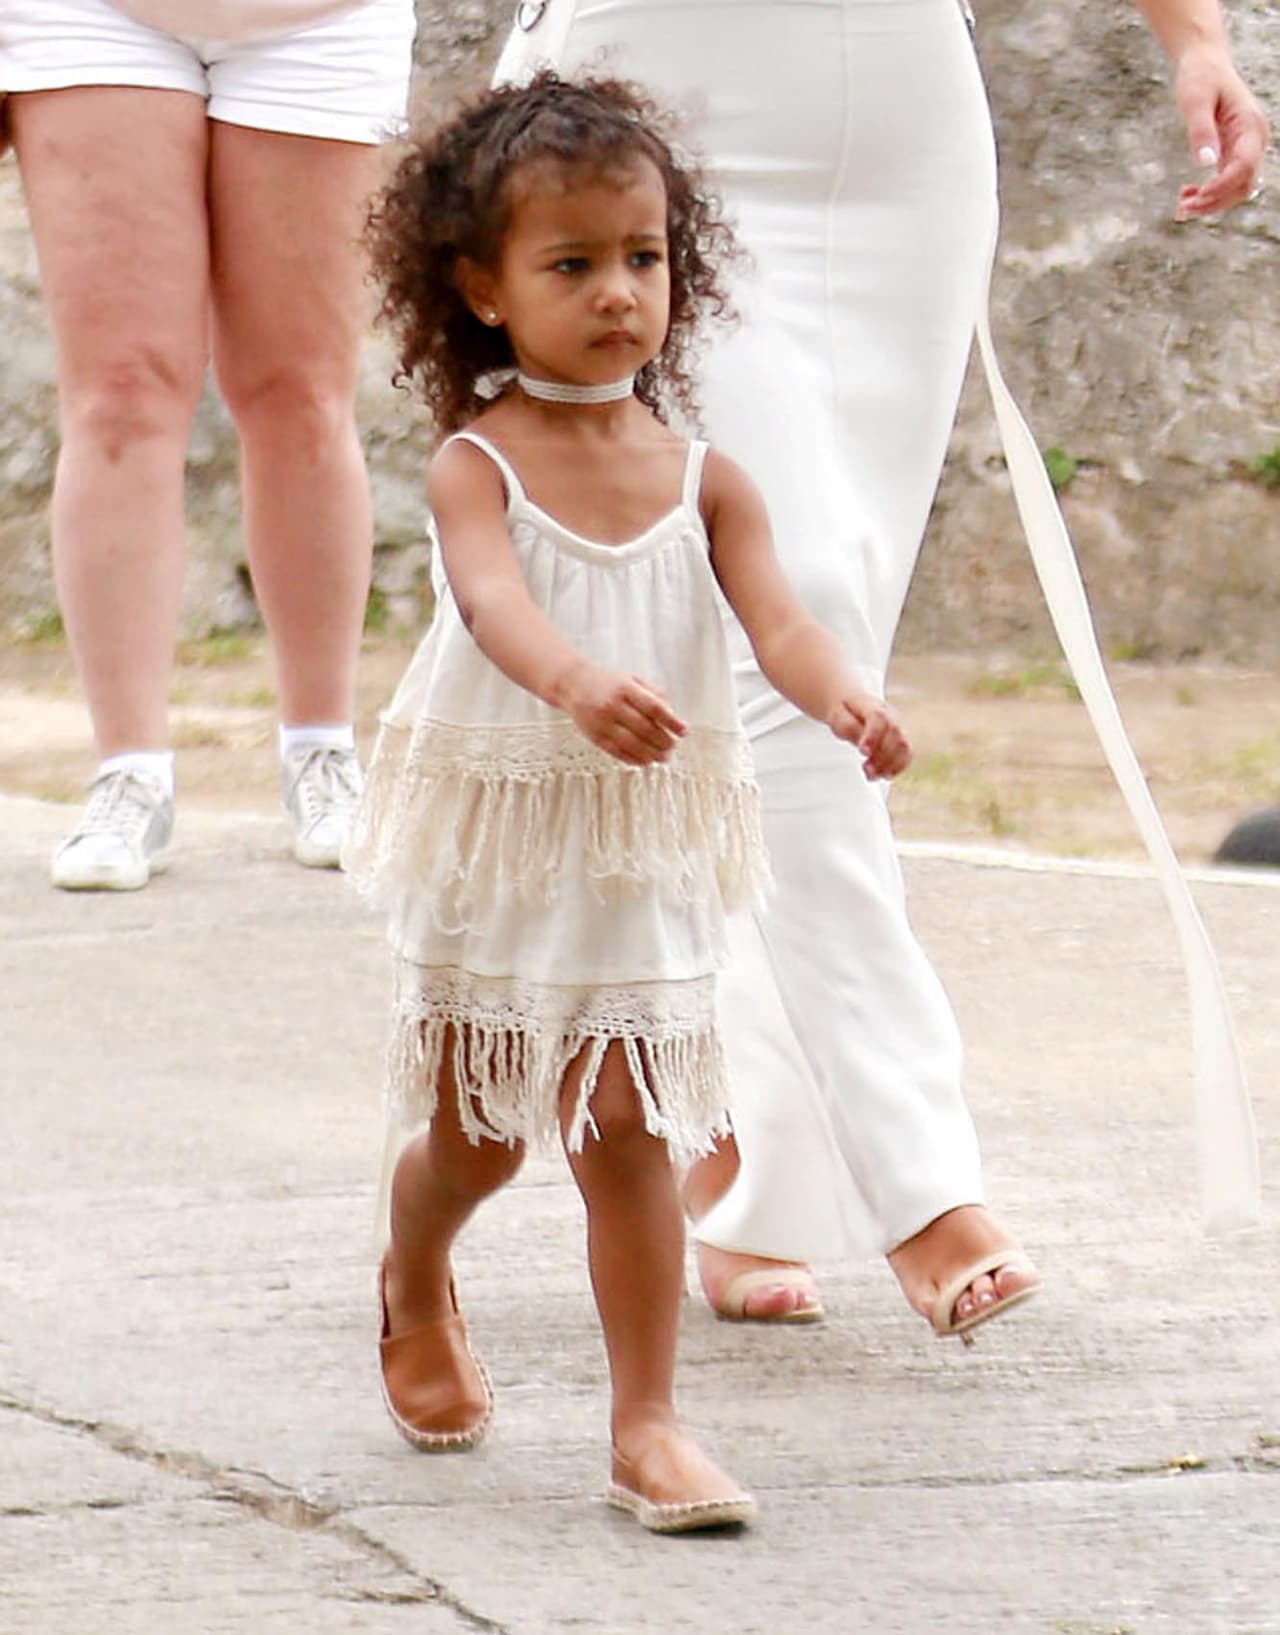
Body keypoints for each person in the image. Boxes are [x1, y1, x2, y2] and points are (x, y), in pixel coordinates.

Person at [493, 0, 1269, 1332]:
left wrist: (1195, 40)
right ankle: (922, 1182)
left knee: (811, 662)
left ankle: (752, 1174)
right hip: (651, 119)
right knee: (803, 623)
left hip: (900, 143)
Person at [342, 72, 911, 1530]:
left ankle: (647, 1426)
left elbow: (777, 619)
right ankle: (415, 1269)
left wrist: (840, 689)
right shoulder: (478, 462)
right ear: (480, 286)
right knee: (482, 1130)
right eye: (571, 263)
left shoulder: (706, 476)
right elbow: (488, 608)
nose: (618, 292)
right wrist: (576, 680)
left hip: (639, 832)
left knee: (625, 1121)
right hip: (506, 818)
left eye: (643, 257)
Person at [0, 0, 417, 889]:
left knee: (300, 391)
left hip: (322, 21)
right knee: (120, 392)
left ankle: (322, 752)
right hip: (90, 20)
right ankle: (129, 773)